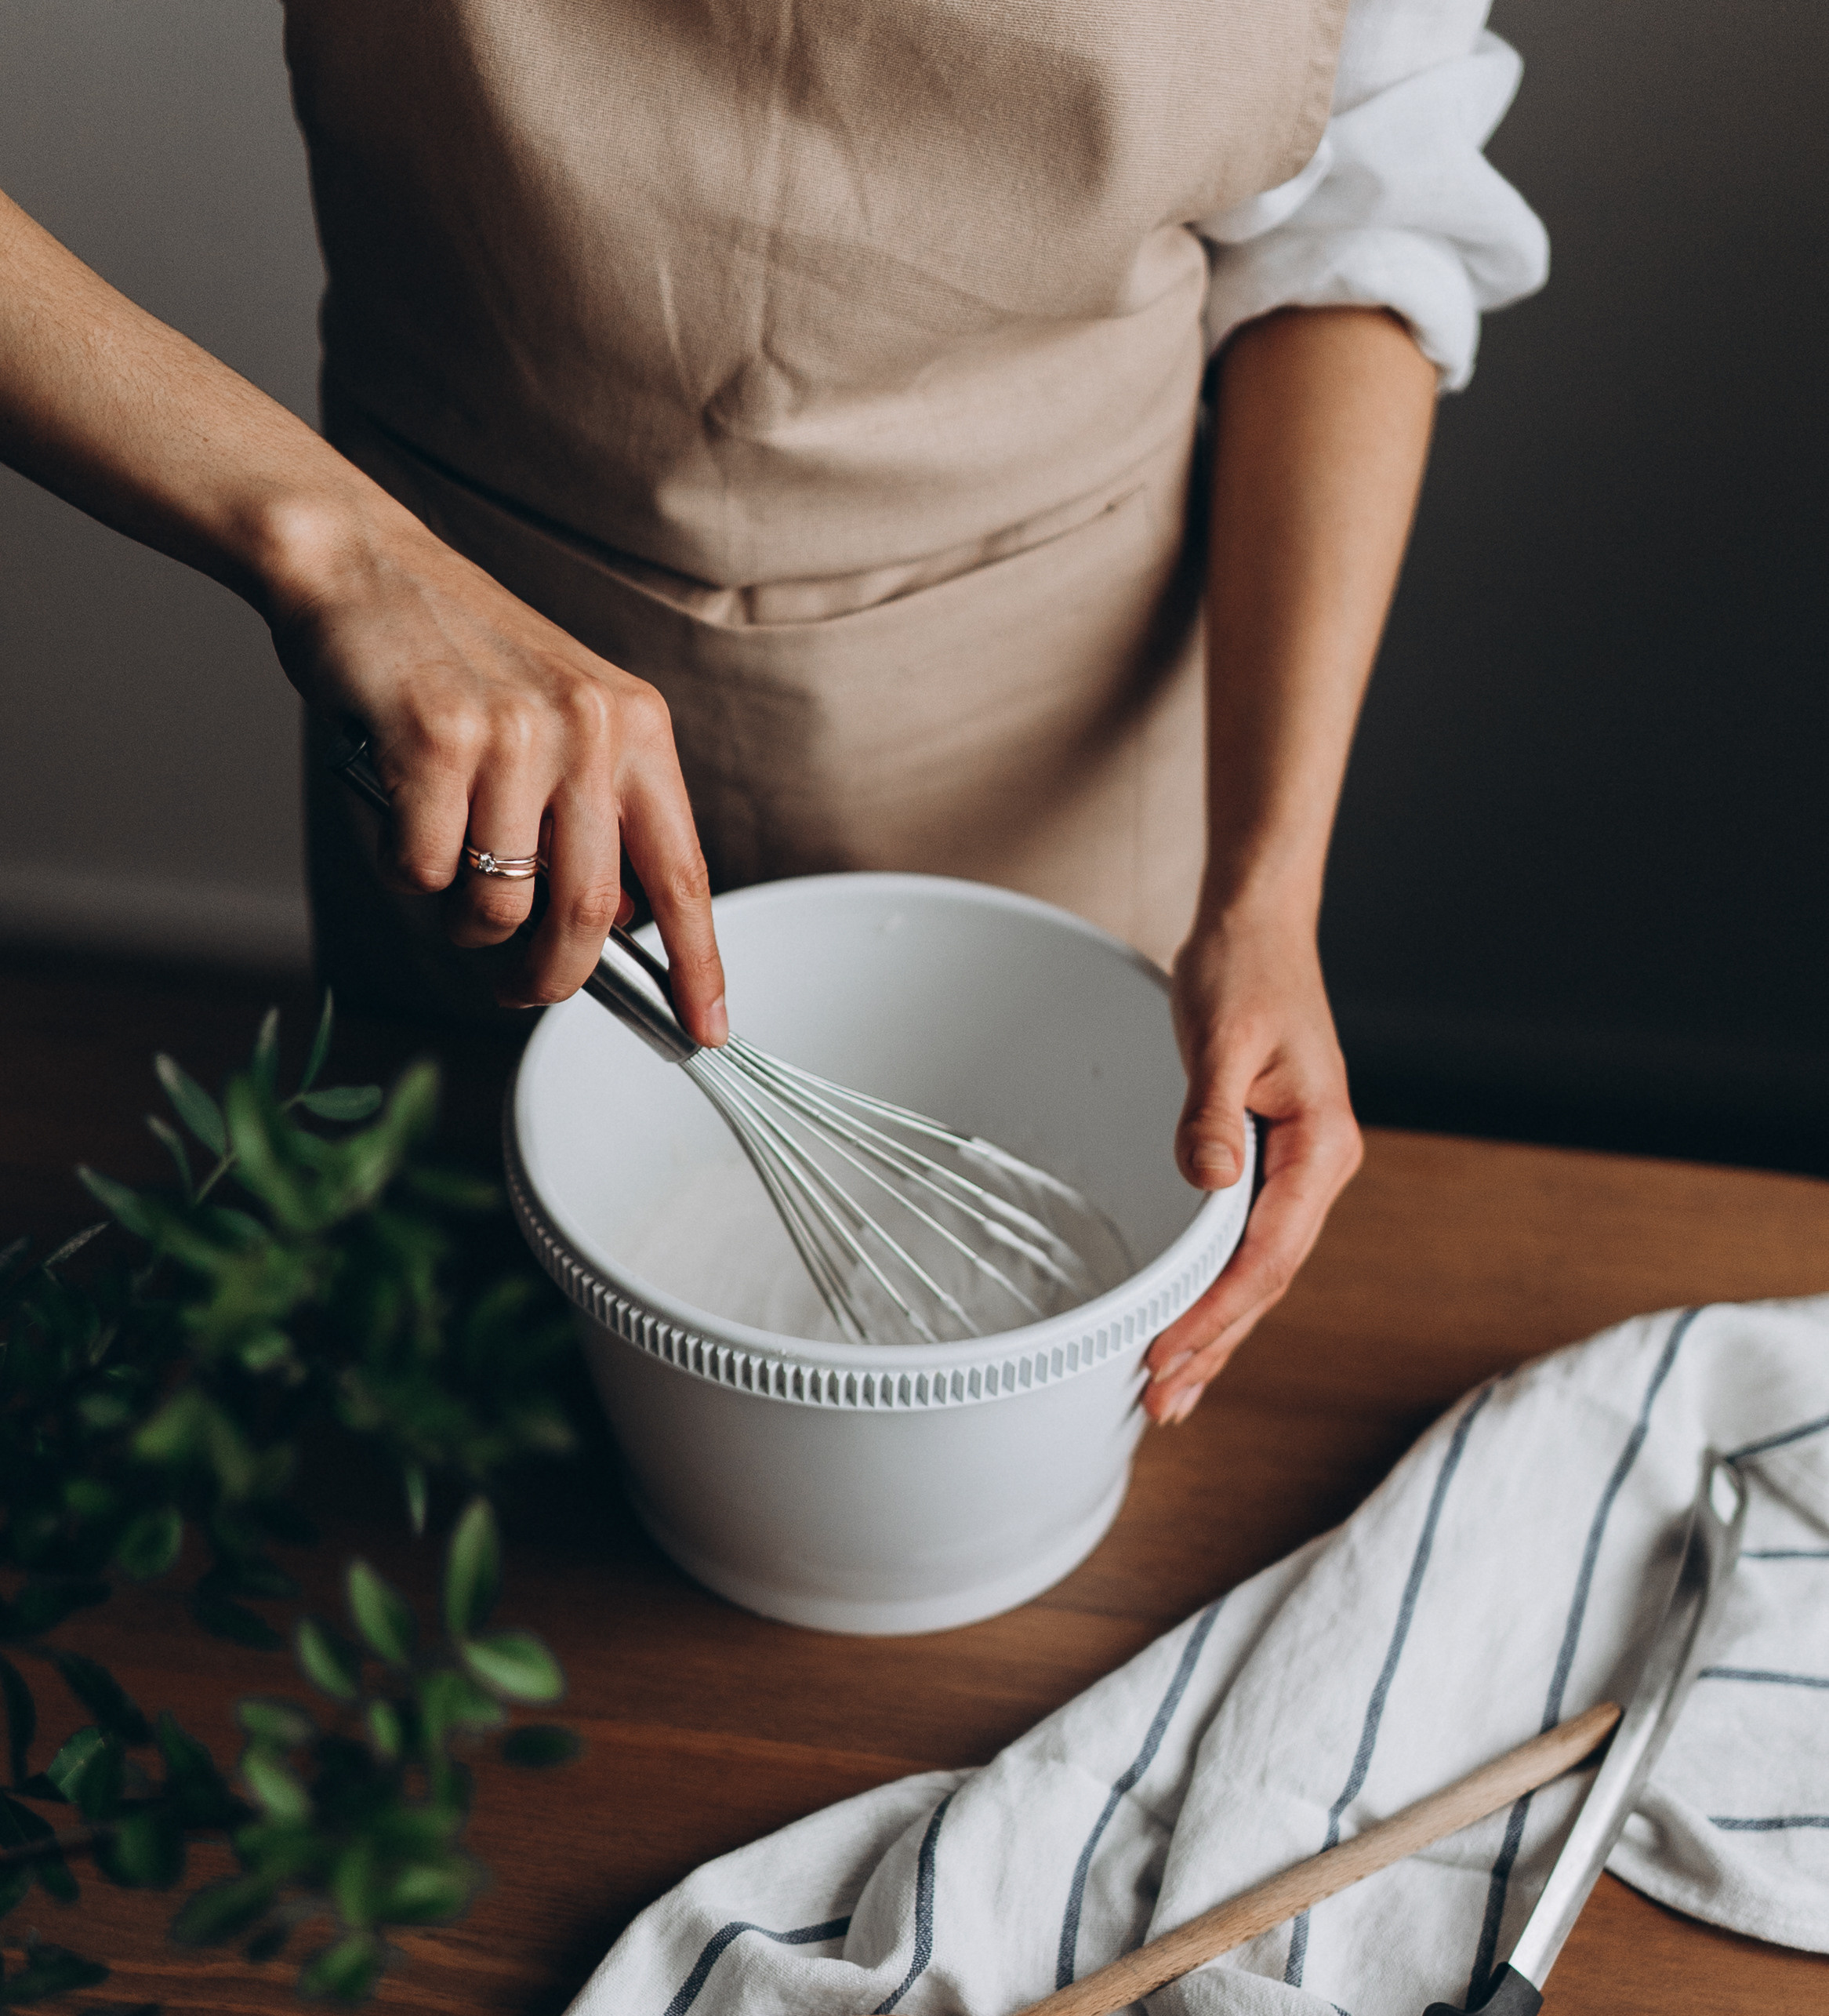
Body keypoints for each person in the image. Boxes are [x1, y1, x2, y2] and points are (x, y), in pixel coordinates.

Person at [0, 1, 1543, 1422]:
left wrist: (1266, 891)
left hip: (1049, 743)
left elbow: (1356, 238)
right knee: (446, 1379)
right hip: (471, 718)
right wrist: (340, 551)